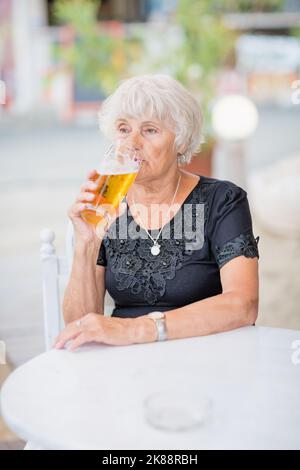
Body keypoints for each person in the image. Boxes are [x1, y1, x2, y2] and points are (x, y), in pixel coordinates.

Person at [54, 74, 259, 351]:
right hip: (124, 363)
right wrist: (87, 244)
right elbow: (79, 328)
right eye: (124, 129)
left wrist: (138, 329)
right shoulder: (108, 207)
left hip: (207, 356)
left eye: (150, 130)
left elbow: (243, 305)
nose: (132, 143)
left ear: (182, 143)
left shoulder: (222, 201)